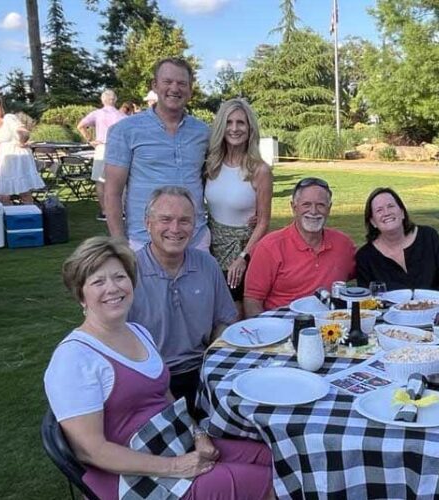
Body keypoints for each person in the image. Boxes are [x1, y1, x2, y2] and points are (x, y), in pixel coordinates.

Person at [44, 236, 275, 500]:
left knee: (273, 457)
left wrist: (197, 433)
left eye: (119, 277)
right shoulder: (74, 358)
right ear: (81, 295)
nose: (113, 288)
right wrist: (175, 467)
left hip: (171, 442)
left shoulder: (138, 332)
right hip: (129, 477)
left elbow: (165, 397)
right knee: (270, 484)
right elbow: (91, 451)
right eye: (98, 281)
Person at [128, 186, 237, 416]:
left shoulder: (207, 265)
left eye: (184, 221)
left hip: (202, 370)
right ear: (148, 223)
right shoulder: (128, 273)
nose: (175, 229)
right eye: (165, 220)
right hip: (149, 379)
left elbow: (224, 320)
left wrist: (213, 363)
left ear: (195, 226)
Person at [104, 57, 210, 251]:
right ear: (155, 85)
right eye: (167, 82)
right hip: (143, 242)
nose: (175, 88)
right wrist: (119, 244)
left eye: (181, 83)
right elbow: (112, 192)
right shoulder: (126, 130)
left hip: (195, 241)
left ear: (190, 89)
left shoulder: (202, 132)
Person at [244, 177, 355, 316]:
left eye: (320, 205)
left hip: (330, 325)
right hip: (283, 325)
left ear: (329, 208)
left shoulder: (344, 245)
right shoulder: (269, 247)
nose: (313, 211)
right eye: (306, 204)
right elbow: (252, 300)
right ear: (294, 207)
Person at [205, 99, 273, 319]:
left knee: (236, 317)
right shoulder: (210, 164)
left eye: (241, 123)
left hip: (243, 253)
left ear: (250, 128)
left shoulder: (259, 170)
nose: (234, 129)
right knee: (212, 314)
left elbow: (263, 221)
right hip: (211, 250)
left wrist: (243, 257)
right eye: (229, 122)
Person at [356, 187, 439, 293]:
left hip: (438, 307)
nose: (386, 213)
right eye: (379, 210)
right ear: (373, 222)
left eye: (391, 206)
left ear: (402, 212)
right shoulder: (365, 257)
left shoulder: (428, 237)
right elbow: (366, 302)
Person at [77, 89, 127, 222]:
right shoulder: (122, 116)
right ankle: (120, 210)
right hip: (119, 148)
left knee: (100, 180)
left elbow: (81, 125)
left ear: (102, 100)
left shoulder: (97, 114)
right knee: (120, 180)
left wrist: (90, 139)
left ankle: (105, 211)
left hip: (102, 147)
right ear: (115, 100)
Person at [0, 95, 44, 205]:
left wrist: (22, 141)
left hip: (17, 156)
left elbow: (23, 131)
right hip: (4, 157)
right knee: (2, 195)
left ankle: (30, 215)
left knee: (23, 192)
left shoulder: (8, 118)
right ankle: (11, 217)